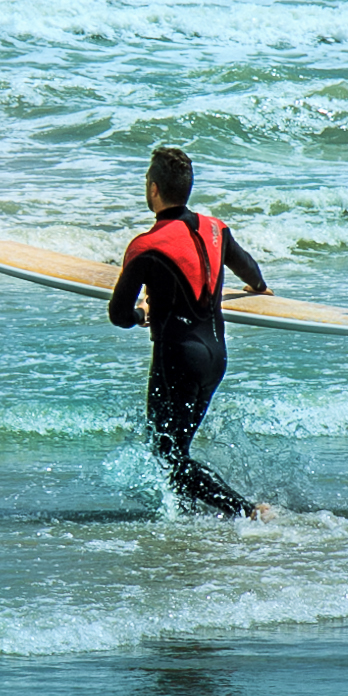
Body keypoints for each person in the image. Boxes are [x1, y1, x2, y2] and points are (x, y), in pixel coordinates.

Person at [108, 146, 275, 520]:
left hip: (178, 357)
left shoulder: (145, 246)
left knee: (169, 453)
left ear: (153, 189)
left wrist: (141, 314)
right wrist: (259, 288)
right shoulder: (216, 230)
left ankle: (246, 510)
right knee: (170, 447)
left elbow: (118, 314)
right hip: (215, 357)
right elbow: (249, 268)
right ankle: (184, 518)